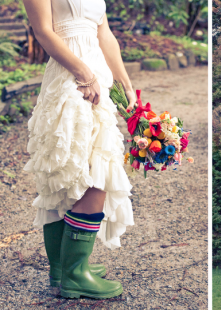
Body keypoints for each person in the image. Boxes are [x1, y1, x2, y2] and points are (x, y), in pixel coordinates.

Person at [22, 0, 139, 299]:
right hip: (71, 76)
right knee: (83, 168)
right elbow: (44, 31)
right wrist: (83, 74)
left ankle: (63, 266)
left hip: (96, 75)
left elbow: (105, 34)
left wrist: (125, 84)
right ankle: (74, 274)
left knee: (88, 161)